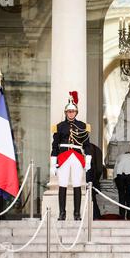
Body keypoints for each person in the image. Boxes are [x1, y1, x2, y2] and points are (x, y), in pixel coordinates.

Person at [51, 92, 92, 221]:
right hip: (63, 156)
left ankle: (77, 213)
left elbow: (86, 144)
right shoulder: (59, 127)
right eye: (68, 111)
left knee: (77, 185)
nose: (70, 113)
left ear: (76, 112)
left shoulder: (83, 126)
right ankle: (62, 213)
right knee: (62, 185)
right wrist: (53, 163)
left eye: (73, 111)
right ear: (65, 112)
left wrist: (88, 160)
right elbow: (55, 145)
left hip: (77, 157)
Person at [86, 142, 103, 220]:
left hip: (88, 177)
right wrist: (96, 178)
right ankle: (96, 215)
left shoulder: (84, 148)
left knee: (91, 198)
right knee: (92, 198)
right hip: (93, 177)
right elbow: (100, 169)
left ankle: (95, 215)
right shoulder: (97, 150)